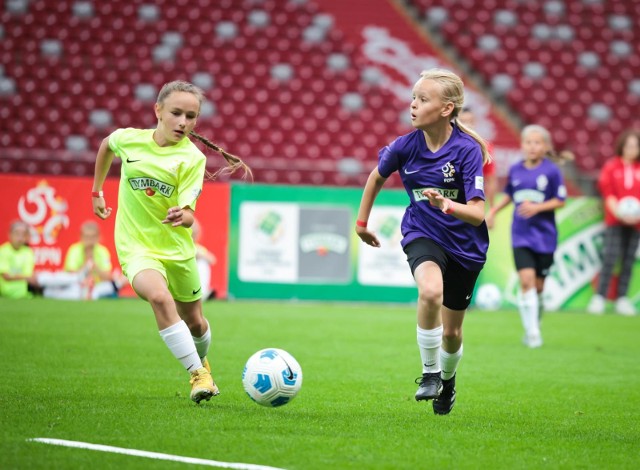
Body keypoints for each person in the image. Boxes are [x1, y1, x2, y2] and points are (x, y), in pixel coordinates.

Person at [91, 80, 251, 404]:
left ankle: (202, 363)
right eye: (176, 113)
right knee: (160, 298)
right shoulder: (130, 140)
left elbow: (191, 214)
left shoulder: (192, 159)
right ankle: (197, 373)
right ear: (158, 111)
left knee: (196, 322)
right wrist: (97, 190)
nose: (183, 122)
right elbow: (107, 145)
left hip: (177, 250)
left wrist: (183, 216)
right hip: (136, 245)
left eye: (191, 116)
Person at [355, 69, 491, 415]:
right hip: (422, 233)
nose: (413, 105)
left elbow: (477, 214)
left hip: (466, 247)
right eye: (413, 98)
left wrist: (447, 205)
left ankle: (447, 381)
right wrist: (361, 223)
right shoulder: (404, 146)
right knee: (430, 292)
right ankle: (429, 374)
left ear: (446, 109)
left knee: (452, 334)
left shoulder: (466, 150)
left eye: (422, 99)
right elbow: (375, 177)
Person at [486, 125, 567, 348]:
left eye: (537, 142)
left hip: (545, 237)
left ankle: (535, 325)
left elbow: (560, 200)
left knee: (539, 287)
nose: (532, 146)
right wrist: (493, 211)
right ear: (522, 146)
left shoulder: (551, 171)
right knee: (526, 281)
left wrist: (537, 207)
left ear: (546, 147)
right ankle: (532, 334)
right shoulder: (516, 170)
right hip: (521, 235)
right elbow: (510, 195)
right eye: (528, 142)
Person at [587, 129, 640, 316]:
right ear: (622, 146)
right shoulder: (612, 167)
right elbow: (608, 194)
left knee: (628, 260)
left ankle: (622, 299)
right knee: (610, 257)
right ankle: (600, 297)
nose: (631, 149)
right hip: (615, 221)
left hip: (637, 223)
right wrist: (620, 213)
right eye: (628, 146)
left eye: (635, 146)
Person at [62, 220, 123, 299]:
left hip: (96, 287)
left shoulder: (102, 251)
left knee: (111, 284)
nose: (90, 240)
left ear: (98, 237)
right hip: (75, 286)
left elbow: (108, 277)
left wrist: (94, 266)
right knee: (66, 282)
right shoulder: (74, 250)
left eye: (92, 237)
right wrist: (86, 265)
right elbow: (71, 274)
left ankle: (90, 294)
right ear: (81, 237)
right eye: (87, 237)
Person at [457, 107, 498, 218]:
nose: (467, 125)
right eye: (463, 121)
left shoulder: (484, 148)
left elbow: (490, 180)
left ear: (475, 123)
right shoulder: (447, 145)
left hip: (473, 203)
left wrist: (492, 211)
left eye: (470, 121)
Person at [0, 220, 36, 299]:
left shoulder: (28, 252)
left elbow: (29, 275)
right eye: (17, 234)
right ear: (10, 235)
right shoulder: (3, 251)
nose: (20, 238)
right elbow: (6, 276)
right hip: (4, 295)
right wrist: (25, 277)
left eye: (23, 235)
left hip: (23, 295)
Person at [191, 218, 217, 300]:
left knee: (202, 262)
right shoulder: (180, 246)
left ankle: (203, 292)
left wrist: (200, 255)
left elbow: (212, 260)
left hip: (193, 277)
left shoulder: (199, 248)